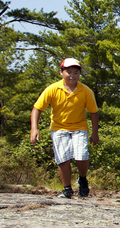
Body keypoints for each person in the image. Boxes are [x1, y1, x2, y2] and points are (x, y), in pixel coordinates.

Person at [30, 58, 100, 199]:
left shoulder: (85, 91)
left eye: (76, 72)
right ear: (61, 72)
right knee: (63, 158)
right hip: (58, 127)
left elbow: (93, 112)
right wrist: (34, 128)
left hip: (79, 127)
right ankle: (67, 188)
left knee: (81, 155)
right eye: (68, 72)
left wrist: (95, 133)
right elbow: (37, 109)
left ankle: (82, 179)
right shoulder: (52, 89)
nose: (72, 75)